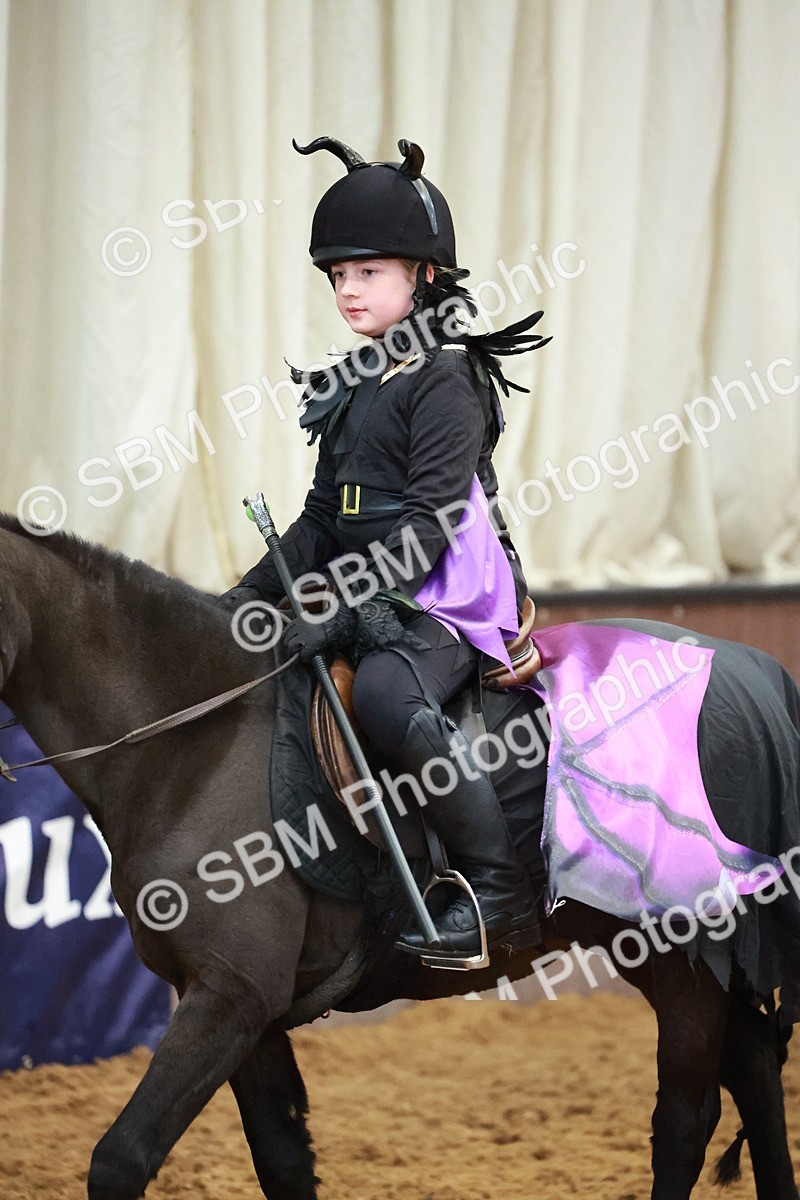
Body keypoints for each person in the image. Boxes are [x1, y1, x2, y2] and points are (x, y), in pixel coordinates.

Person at [220, 136, 550, 959]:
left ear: (424, 276)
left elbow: (431, 525)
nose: (348, 290)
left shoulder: (447, 378)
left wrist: (344, 619)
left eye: (368, 272)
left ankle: (499, 892)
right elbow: (320, 517)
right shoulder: (355, 385)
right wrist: (247, 598)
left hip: (444, 590)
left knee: (383, 699)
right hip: (373, 584)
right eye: (338, 276)